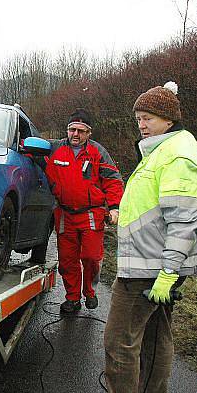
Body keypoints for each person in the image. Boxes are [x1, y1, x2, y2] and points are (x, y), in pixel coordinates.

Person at [103, 82, 197, 393]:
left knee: (119, 341)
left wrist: (168, 272)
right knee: (153, 339)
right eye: (138, 117)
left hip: (150, 266)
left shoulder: (177, 155)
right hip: (151, 263)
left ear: (168, 120)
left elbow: (183, 220)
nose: (141, 124)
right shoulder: (166, 149)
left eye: (149, 118)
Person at [44, 108, 124, 313]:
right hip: (64, 214)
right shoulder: (55, 149)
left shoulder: (98, 152)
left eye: (81, 130)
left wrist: (114, 207)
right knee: (67, 259)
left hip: (91, 213)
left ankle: (89, 291)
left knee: (90, 256)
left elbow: (113, 180)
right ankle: (72, 298)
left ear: (89, 133)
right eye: (72, 130)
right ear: (67, 130)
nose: (75, 134)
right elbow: (32, 151)